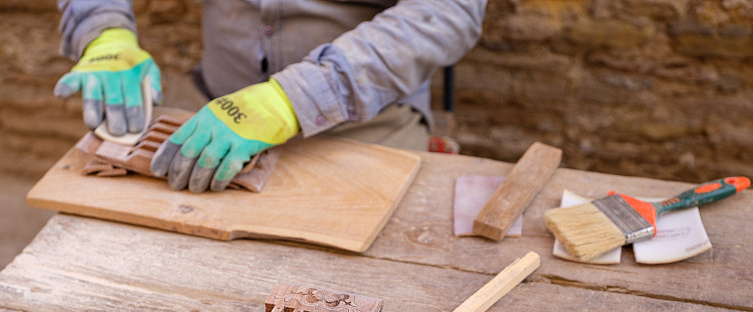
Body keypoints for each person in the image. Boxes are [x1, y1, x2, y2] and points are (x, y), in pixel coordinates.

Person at [56, 1, 488, 193]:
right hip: (211, 101)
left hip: (367, 121)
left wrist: (294, 99)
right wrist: (104, 27)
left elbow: (447, 12)